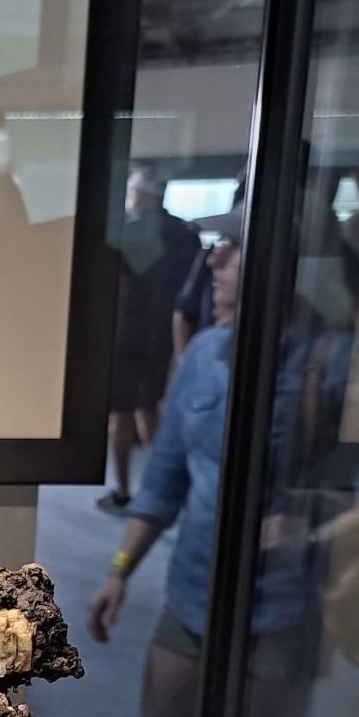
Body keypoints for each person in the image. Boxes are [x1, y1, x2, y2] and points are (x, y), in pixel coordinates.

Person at [87, 231, 346, 717]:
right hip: (194, 589)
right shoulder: (204, 353)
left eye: (231, 247)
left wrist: (318, 529)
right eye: (217, 246)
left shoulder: (333, 358)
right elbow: (165, 476)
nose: (214, 260)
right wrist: (120, 569)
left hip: (281, 602)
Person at [99, 164, 202, 512]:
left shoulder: (129, 232)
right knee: (148, 408)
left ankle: (123, 490)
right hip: (164, 332)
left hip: (126, 331)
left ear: (141, 195)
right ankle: (161, 490)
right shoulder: (185, 234)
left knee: (120, 414)